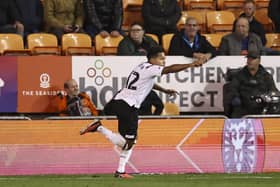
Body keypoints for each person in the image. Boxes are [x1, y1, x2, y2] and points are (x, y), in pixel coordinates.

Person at [80, 46, 204, 178]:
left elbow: (148, 83)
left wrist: (164, 90)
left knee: (128, 141)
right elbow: (169, 70)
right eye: (162, 58)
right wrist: (191, 64)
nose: (164, 61)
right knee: (129, 142)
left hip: (118, 101)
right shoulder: (151, 68)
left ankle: (119, 168)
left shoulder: (141, 67)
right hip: (128, 106)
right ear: (152, 59)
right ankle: (101, 132)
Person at [223, 50, 278, 118]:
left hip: (262, 109)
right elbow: (232, 89)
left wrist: (269, 97)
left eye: (253, 59)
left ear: (259, 60)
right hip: (243, 108)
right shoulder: (239, 75)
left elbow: (274, 91)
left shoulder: (266, 76)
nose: (250, 61)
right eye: (248, 59)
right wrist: (236, 98)